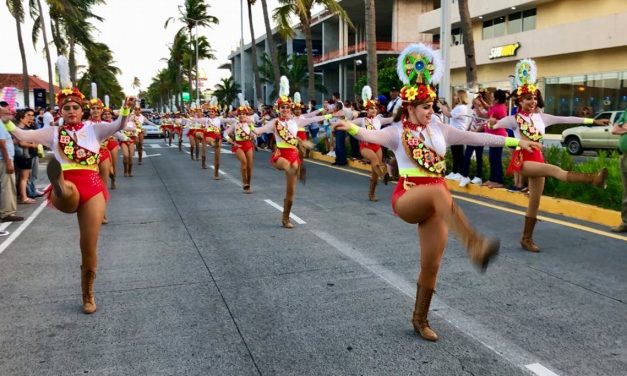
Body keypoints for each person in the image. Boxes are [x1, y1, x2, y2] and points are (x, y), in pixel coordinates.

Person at [333, 44, 540, 341]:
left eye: (432, 106)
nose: (432, 112)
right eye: (426, 107)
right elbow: (370, 134)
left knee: (432, 263)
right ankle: (474, 245)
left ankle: (420, 319)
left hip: (437, 201)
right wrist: (351, 129)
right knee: (437, 191)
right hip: (409, 197)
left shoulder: (440, 130)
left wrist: (516, 144)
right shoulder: (396, 133)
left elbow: (477, 137)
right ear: (411, 108)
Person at [5, 56, 136, 314]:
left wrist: (124, 109)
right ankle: (59, 185)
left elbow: (118, 125)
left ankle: (88, 295)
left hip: (92, 185)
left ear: (82, 109)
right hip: (69, 181)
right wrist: (7, 120)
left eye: (76, 107)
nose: (72, 111)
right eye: (67, 108)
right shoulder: (53, 132)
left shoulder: (95, 130)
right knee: (68, 192)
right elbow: (21, 135)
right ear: (61, 111)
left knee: (88, 245)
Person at [493, 59, 609, 252]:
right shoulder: (513, 119)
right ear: (520, 101)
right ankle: (593, 178)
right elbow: (494, 126)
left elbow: (568, 119)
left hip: (538, 159)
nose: (532, 102)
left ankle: (526, 238)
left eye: (534, 98)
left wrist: (592, 121)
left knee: (535, 202)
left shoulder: (543, 118)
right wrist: (489, 123)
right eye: (528, 98)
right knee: (555, 170)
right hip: (523, 160)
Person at [253, 76, 336, 228]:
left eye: (287, 107)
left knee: (291, 193)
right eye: (282, 107)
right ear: (279, 109)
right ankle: (298, 169)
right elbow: (259, 130)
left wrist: (332, 115)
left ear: (290, 109)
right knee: (289, 167)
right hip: (280, 155)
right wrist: (251, 130)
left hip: (294, 156)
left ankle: (285, 218)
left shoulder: (297, 121)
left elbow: (313, 119)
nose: (285, 110)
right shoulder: (274, 122)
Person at [354, 85, 394, 201]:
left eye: (375, 108)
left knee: (374, 172)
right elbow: (349, 123)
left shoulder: (379, 119)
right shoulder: (362, 120)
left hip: (377, 146)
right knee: (375, 161)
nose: (374, 110)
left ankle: (372, 193)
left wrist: (404, 115)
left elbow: (392, 119)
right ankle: (384, 175)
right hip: (365, 146)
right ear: (367, 109)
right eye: (371, 108)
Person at [224, 95, 255, 192]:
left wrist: (253, 135)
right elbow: (225, 133)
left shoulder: (250, 124)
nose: (242, 115)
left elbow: (255, 132)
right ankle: (244, 182)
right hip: (238, 146)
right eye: (240, 114)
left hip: (248, 145)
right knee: (244, 162)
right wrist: (232, 142)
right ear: (238, 115)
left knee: (250, 166)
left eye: (244, 114)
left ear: (246, 115)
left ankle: (248, 185)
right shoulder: (235, 124)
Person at [0, 102, 24, 223]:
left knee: (6, 186)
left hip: (4, 159)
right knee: (7, 186)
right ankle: (7, 212)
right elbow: (2, 144)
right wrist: (8, 162)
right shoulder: (0, 125)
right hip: (4, 160)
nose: (10, 114)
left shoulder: (3, 124)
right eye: (6, 113)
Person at [439, 90, 469, 181]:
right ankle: (455, 171)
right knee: (455, 154)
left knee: (459, 154)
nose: (454, 97)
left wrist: (441, 107)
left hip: (458, 133)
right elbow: (452, 112)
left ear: (460, 97)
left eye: (456, 95)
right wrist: (446, 106)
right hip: (454, 133)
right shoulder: (458, 107)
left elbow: (449, 115)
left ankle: (460, 173)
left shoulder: (462, 107)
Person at [12, 109, 39, 204]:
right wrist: (32, 144)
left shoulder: (19, 129)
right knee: (24, 178)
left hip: (22, 155)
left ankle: (23, 195)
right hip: (25, 156)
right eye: (27, 117)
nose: (29, 119)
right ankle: (24, 197)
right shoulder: (21, 129)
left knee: (23, 177)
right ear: (21, 118)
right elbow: (21, 142)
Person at [483, 89, 508, 188]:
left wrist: (495, 120)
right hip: (492, 135)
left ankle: (499, 181)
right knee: (492, 158)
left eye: (493, 97)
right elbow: (488, 115)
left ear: (497, 99)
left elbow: (503, 122)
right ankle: (492, 179)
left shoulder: (501, 108)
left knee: (496, 159)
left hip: (498, 136)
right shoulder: (495, 106)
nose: (492, 98)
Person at [611, 109, 627, 232]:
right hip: (624, 156)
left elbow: (620, 128)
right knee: (626, 192)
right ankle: (626, 222)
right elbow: (615, 129)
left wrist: (624, 127)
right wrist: (623, 127)